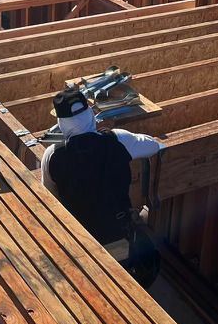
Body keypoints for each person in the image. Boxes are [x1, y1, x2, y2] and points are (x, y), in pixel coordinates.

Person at [41, 85, 165, 285]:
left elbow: (49, 196)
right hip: (116, 235)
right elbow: (152, 145)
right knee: (121, 277)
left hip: (79, 242)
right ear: (91, 114)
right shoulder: (118, 140)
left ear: (61, 123)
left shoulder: (53, 155)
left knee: (92, 283)